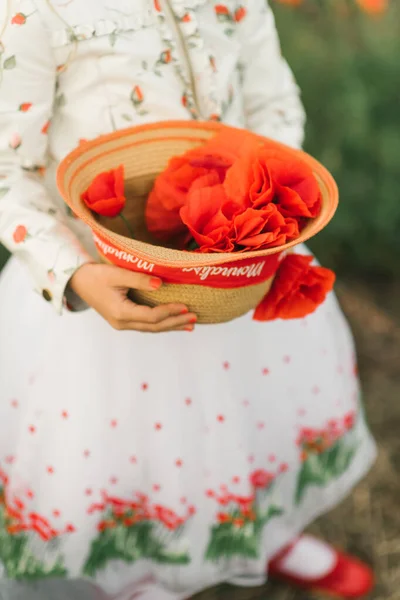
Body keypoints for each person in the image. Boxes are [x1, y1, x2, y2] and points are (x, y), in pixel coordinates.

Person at [0, 1, 377, 599]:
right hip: (112, 289)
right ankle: (141, 573)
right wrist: (73, 273)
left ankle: (266, 529)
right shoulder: (34, 11)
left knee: (256, 414)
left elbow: (273, 104)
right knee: (140, 446)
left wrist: (271, 209)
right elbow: (5, 171)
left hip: (241, 264)